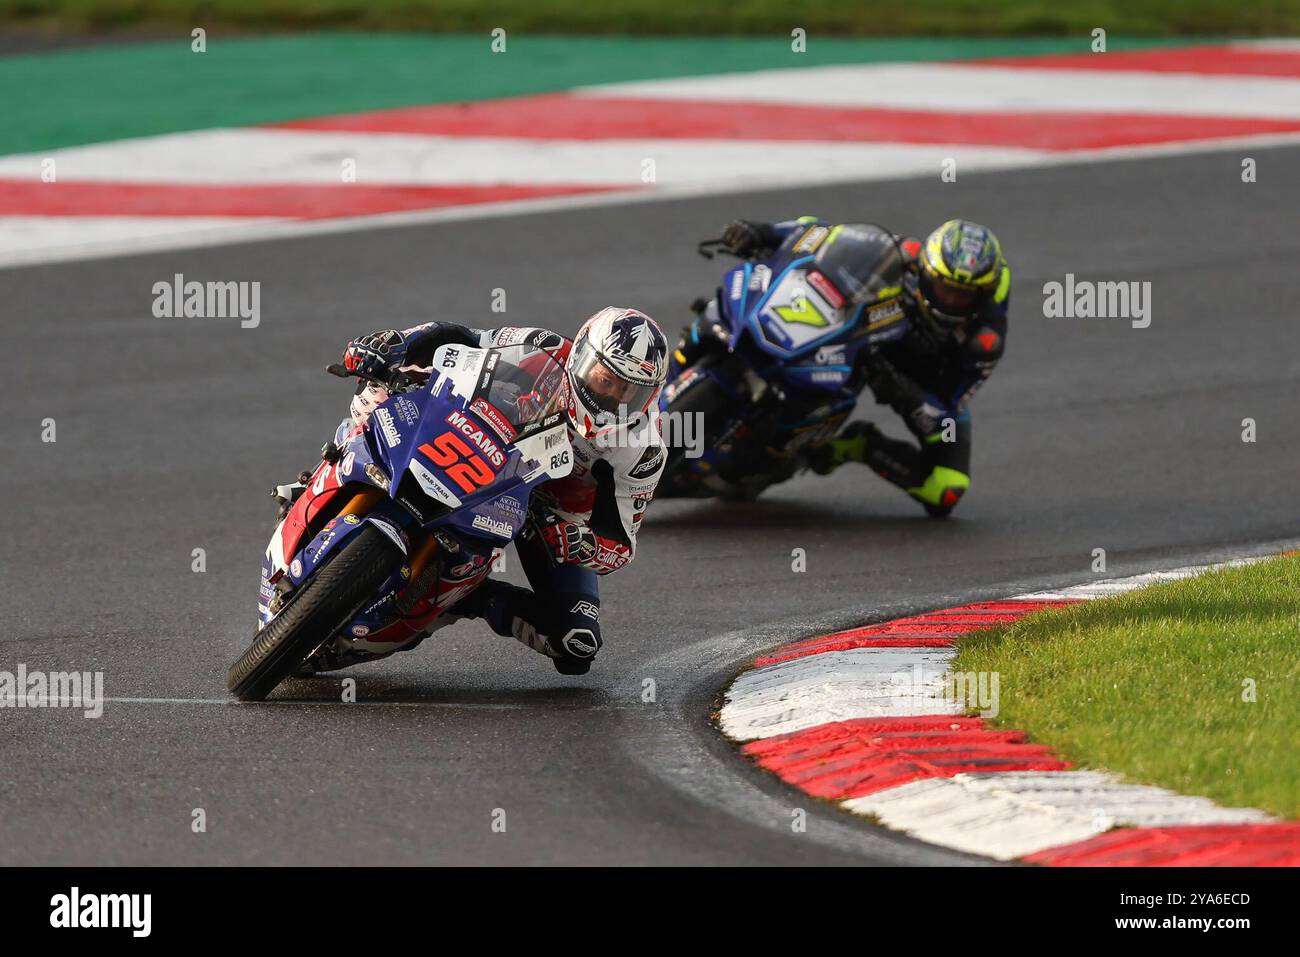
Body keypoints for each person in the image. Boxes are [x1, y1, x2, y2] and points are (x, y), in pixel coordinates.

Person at [336, 306, 669, 674]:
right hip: (482, 443)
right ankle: (335, 468)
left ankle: (466, 599)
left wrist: (578, 542)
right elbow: (459, 337)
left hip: (546, 515)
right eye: (605, 381)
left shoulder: (642, 449)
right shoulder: (538, 347)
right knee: (375, 397)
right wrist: (397, 344)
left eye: (629, 392)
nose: (613, 398)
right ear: (581, 358)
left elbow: (620, 545)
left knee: (575, 643)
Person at [696, 216, 1009, 516]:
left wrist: (904, 390)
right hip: (870, 341)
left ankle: (858, 445)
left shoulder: (982, 342)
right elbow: (821, 236)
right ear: (927, 270)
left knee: (946, 489)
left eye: (963, 295)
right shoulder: (909, 256)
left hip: (921, 379)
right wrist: (764, 232)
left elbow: (950, 402)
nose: (951, 300)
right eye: (945, 288)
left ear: (982, 296)